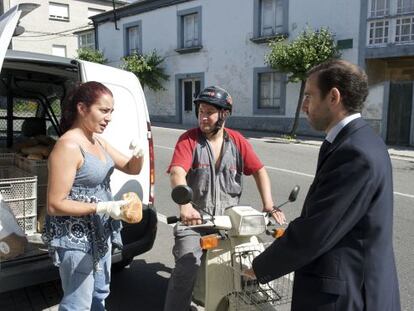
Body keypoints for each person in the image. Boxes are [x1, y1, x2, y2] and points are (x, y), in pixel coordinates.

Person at [248, 60, 401, 310]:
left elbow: (317, 230)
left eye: (309, 96)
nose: (304, 105)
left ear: (333, 97)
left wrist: (258, 267)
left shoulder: (355, 152)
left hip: (348, 295)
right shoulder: (356, 139)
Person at [163, 85, 285, 311]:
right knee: (186, 267)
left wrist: (268, 205)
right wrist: (185, 205)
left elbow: (259, 170)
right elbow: (177, 172)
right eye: (200, 111)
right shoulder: (189, 140)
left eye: (209, 112)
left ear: (224, 114)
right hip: (196, 222)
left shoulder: (237, 142)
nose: (203, 117)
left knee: (249, 267)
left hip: (229, 223)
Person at [42, 81, 144, 311]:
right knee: (77, 303)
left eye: (111, 111)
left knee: (99, 294)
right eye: (104, 110)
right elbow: (54, 204)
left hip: (100, 232)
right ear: (82, 108)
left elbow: (131, 168)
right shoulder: (68, 146)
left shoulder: (97, 140)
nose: (109, 117)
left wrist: (139, 154)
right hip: (75, 238)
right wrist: (102, 207)